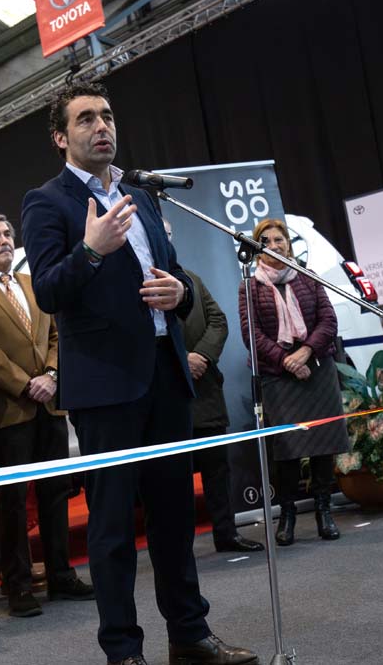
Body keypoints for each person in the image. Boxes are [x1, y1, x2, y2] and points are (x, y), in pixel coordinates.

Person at [20, 82, 257, 665]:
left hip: (165, 373)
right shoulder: (47, 202)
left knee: (176, 517)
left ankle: (190, 637)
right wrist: (93, 249)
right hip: (105, 388)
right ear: (60, 137)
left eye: (106, 116)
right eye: (85, 120)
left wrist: (178, 295)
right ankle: (124, 651)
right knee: (111, 528)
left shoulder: (141, 195)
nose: (101, 127)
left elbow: (171, 273)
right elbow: (48, 291)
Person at [0, 213, 94, 618]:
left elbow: (54, 335)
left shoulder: (33, 284)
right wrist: (26, 384)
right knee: (12, 501)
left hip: (49, 403)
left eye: (8, 234)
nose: (5, 241)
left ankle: (61, 575)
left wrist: (50, 375)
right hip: (9, 410)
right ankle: (17, 586)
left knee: (55, 494)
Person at [239, 218, 348, 546]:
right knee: (286, 450)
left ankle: (324, 512)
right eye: (267, 240)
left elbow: (329, 320)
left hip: (317, 369)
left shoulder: (309, 277)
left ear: (288, 243)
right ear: (258, 247)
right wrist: (286, 360)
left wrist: (305, 353)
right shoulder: (250, 285)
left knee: (323, 445)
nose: (275, 245)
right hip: (278, 376)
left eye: (280, 239)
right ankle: (286, 515)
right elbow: (252, 334)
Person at [163, 219, 264, 555]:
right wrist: (182, 361)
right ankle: (178, 546)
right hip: (167, 393)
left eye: (168, 234)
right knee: (172, 477)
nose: (164, 239)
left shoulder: (191, 278)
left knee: (217, 468)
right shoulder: (136, 282)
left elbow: (218, 320)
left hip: (204, 388)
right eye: (158, 234)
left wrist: (201, 356)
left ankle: (226, 533)